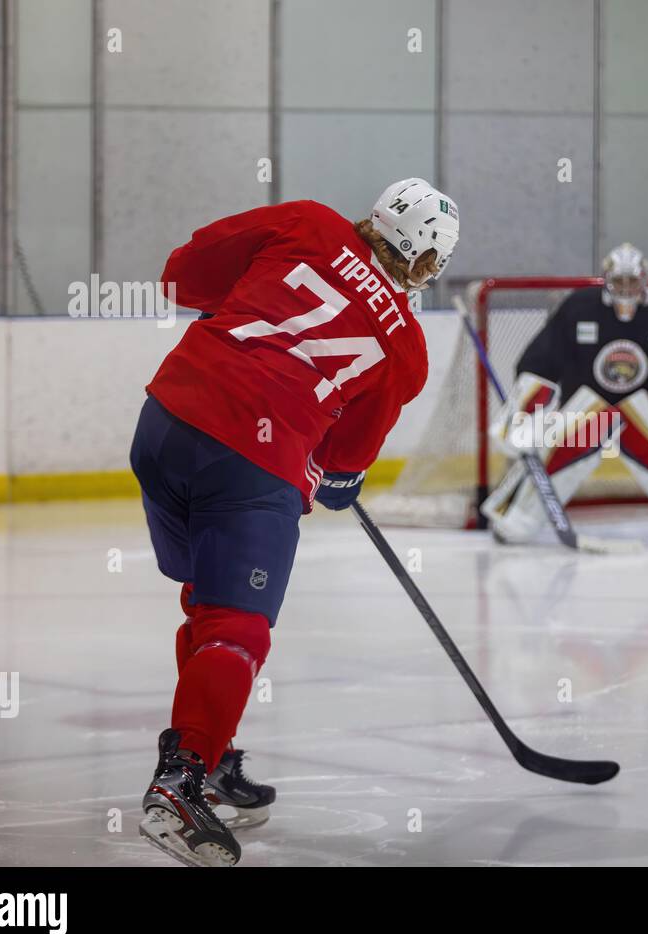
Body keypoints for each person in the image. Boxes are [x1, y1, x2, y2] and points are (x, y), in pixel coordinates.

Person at [130, 179, 458, 866]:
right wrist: (334, 476)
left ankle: (207, 753)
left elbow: (181, 276)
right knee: (237, 624)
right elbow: (340, 472)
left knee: (205, 599)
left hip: (165, 421)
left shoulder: (306, 221)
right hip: (251, 458)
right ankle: (180, 784)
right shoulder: (406, 349)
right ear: (427, 262)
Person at [482, 243, 648, 545]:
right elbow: (541, 362)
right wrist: (522, 410)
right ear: (606, 280)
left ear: (644, 280)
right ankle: (514, 516)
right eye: (619, 282)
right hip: (589, 411)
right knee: (553, 450)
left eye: (632, 281)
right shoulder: (578, 308)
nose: (626, 289)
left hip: (645, 412)